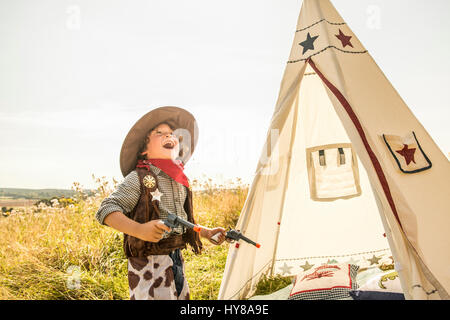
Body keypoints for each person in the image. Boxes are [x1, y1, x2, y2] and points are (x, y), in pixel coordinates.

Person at [95, 106, 227, 300]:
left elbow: (181, 220)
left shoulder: (179, 180)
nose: (169, 136)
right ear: (144, 149)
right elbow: (105, 210)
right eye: (160, 133)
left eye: (172, 134)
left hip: (175, 258)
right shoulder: (139, 178)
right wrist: (140, 230)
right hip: (147, 263)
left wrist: (205, 232)